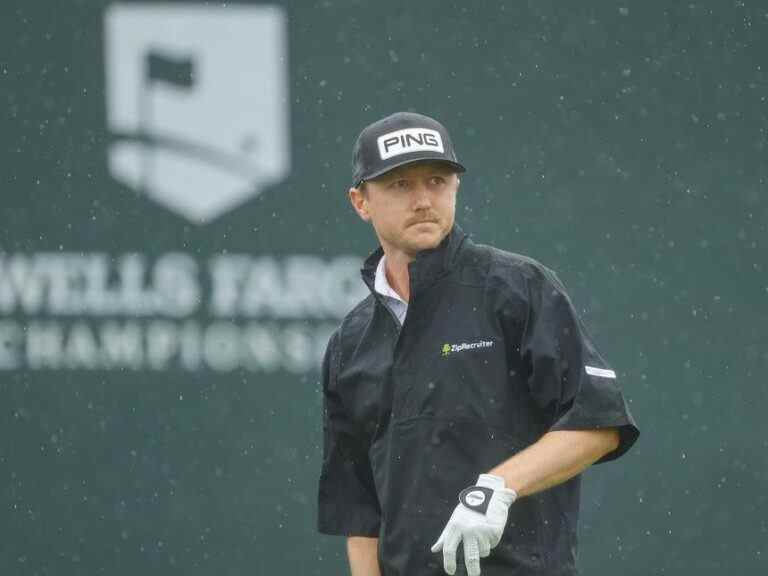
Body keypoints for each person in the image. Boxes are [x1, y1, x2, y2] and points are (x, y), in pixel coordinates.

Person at [317, 111, 639, 576]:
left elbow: (599, 423)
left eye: (436, 180)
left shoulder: (517, 288)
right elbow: (358, 506)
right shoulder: (350, 343)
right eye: (400, 186)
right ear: (360, 201)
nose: (424, 199)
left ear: (455, 187)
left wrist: (498, 486)